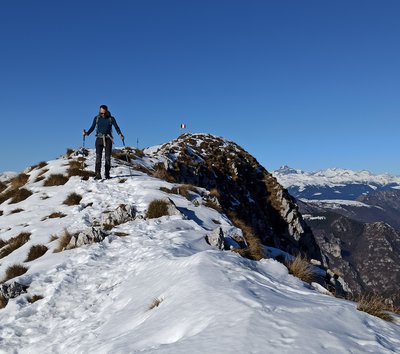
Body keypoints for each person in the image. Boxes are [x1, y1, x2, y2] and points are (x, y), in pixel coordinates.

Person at [83, 105, 124, 179]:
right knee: (98, 157)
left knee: (107, 157)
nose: (103, 115)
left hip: (108, 139)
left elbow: (116, 127)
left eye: (104, 113)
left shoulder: (111, 119)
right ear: (99, 111)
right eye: (101, 113)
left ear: (107, 111)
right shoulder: (97, 118)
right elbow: (92, 127)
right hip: (99, 139)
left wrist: (120, 134)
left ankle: (107, 173)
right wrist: (87, 133)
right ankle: (98, 174)